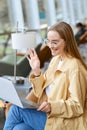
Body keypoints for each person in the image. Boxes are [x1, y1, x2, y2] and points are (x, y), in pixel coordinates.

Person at [3, 22, 87, 130]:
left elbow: (77, 106)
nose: (50, 46)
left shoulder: (75, 68)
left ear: (67, 42)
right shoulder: (56, 60)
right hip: (50, 115)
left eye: (55, 42)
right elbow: (40, 91)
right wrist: (37, 70)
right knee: (20, 128)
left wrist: (52, 106)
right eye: (48, 41)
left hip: (64, 121)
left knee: (16, 110)